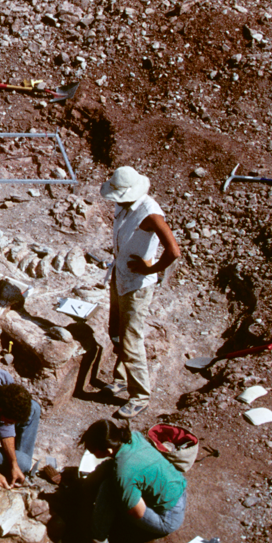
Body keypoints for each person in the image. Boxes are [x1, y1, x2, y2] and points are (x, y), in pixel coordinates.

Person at [100, 166, 182, 419]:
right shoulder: (124, 204)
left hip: (137, 285)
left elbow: (174, 251)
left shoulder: (150, 214)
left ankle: (140, 396)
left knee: (131, 338)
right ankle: (122, 377)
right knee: (116, 331)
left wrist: (153, 269)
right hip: (120, 275)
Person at [72, 419, 186, 543]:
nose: (91, 453)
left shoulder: (124, 472)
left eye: (92, 451)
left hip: (168, 518)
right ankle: (86, 486)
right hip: (178, 489)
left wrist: (122, 497)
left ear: (108, 450)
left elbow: (136, 512)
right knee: (113, 471)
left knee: (109, 488)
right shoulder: (133, 436)